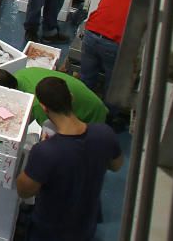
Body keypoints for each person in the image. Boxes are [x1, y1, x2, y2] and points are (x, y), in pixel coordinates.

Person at [16, 77, 122, 241]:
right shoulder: (104, 133)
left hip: (51, 227)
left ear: (44, 107)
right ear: (71, 97)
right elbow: (116, 165)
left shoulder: (45, 152)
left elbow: (24, 190)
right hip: (86, 219)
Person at [0, 68, 108, 126]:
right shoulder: (22, 73)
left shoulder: (38, 104)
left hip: (92, 112)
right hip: (85, 94)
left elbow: (53, 128)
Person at [80, 0, 133, 96]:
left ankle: (84, 105)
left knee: (86, 78)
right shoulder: (145, 3)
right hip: (114, 44)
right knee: (114, 86)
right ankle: (108, 112)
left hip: (90, 35)